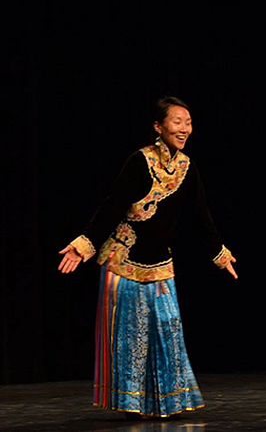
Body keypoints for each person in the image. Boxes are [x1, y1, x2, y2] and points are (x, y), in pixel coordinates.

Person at [57, 96, 238, 418]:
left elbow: (200, 215)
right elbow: (113, 205)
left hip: (160, 264)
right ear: (159, 126)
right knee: (132, 337)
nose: (184, 128)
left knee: (169, 330)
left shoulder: (186, 166)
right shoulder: (139, 161)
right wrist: (84, 245)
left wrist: (218, 253)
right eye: (177, 121)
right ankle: (132, 404)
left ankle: (169, 402)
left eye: (188, 122)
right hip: (123, 262)